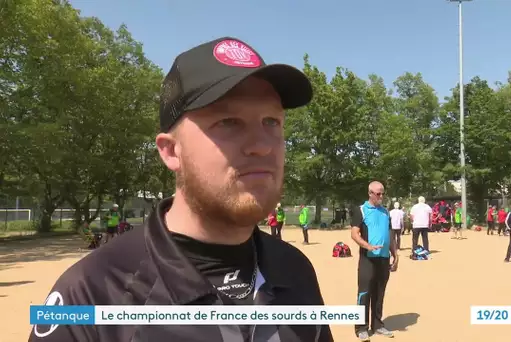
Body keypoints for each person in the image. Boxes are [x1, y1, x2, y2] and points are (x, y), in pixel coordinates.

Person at [30, 37, 332, 342]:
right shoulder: (89, 294)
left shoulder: (295, 270)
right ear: (172, 151)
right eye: (228, 122)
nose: (263, 145)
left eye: (271, 121)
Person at [350, 181, 398, 341]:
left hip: (384, 259)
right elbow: (355, 234)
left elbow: (389, 235)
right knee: (364, 293)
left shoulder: (385, 212)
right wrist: (368, 245)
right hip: (367, 259)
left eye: (383, 193)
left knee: (379, 293)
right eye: (378, 194)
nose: (381, 196)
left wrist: (395, 254)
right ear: (370, 193)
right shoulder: (361, 210)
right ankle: (360, 327)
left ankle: (377, 324)